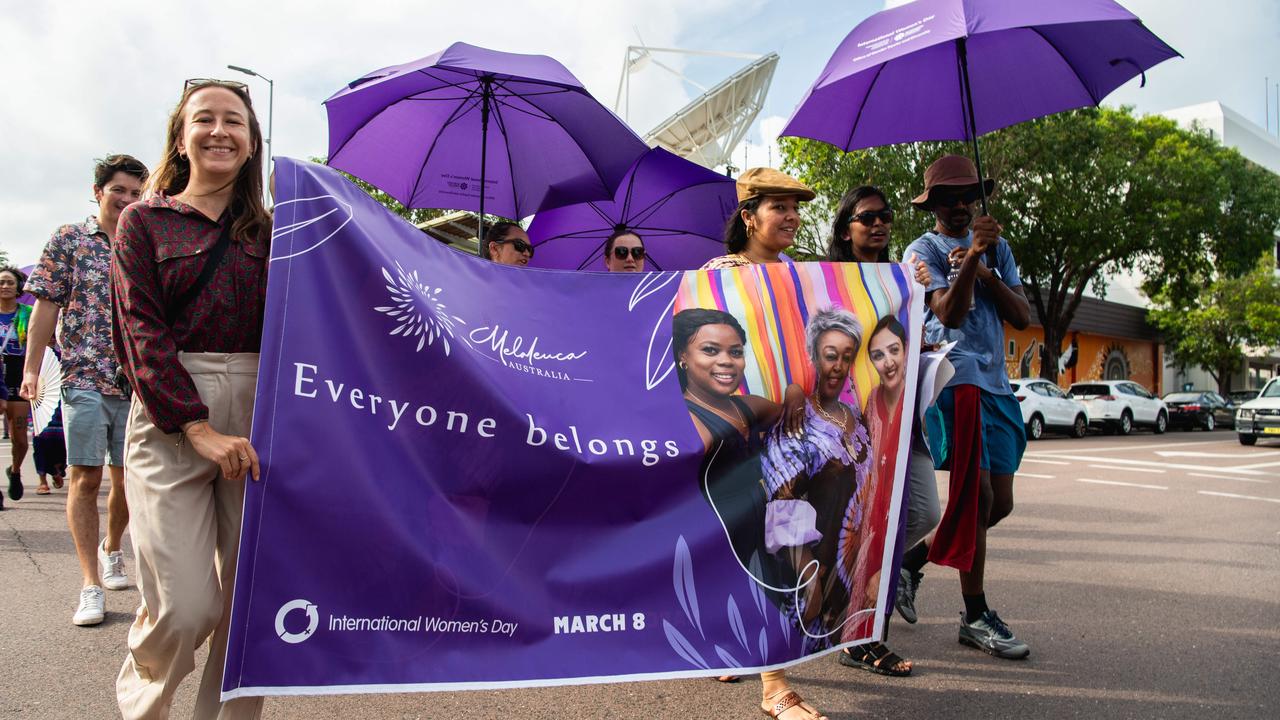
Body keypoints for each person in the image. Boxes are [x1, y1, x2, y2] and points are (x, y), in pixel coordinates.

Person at [110, 78, 270, 719]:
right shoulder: (142, 222)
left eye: (235, 120)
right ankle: (143, 703)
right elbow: (140, 333)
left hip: (262, 412)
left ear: (252, 142)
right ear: (182, 136)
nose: (220, 131)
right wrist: (197, 426)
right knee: (186, 605)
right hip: (171, 412)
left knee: (250, 602)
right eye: (204, 118)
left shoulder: (279, 232)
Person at [703, 167, 826, 720]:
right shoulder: (718, 272)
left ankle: (761, 662)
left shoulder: (803, 274)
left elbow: (822, 338)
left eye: (796, 207)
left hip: (793, 435)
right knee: (756, 541)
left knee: (781, 538)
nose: (793, 216)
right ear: (749, 217)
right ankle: (772, 680)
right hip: (739, 433)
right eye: (780, 206)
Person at [902, 154, 1032, 660]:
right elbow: (948, 315)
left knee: (998, 504)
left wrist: (987, 266)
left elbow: (1020, 316)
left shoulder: (1001, 249)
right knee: (974, 496)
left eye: (966, 197)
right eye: (947, 199)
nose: (958, 206)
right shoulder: (925, 248)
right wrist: (971, 259)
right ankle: (975, 615)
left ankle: (912, 563)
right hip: (956, 379)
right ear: (932, 205)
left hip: (999, 384)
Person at [22, 154, 147, 623]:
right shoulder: (70, 239)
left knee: (128, 480)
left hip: (135, 381)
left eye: (137, 192)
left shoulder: (145, 238)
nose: (128, 200)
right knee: (86, 477)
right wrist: (33, 368)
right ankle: (90, 582)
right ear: (98, 192)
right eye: (119, 190)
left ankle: (113, 547)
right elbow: (45, 309)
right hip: (82, 377)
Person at [826, 186, 939, 677]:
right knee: (870, 527)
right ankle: (863, 634)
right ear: (845, 228)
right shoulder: (829, 282)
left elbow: (904, 341)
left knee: (921, 512)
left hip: (901, 425)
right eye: (866, 216)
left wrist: (920, 316)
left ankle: (852, 604)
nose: (878, 224)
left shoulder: (904, 282)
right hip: (855, 430)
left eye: (885, 216)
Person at [761, 307, 872, 649]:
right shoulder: (798, 418)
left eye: (846, 357)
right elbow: (782, 499)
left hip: (851, 571)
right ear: (812, 357)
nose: (838, 366)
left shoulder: (857, 415)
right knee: (798, 649)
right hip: (815, 580)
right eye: (829, 356)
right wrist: (808, 574)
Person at [1, 266, 32, 504]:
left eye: (10, 282)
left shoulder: (28, 313)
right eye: (1, 282)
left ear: (18, 286)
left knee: (20, 438)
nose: (5, 286)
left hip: (18, 373)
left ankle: (15, 470)